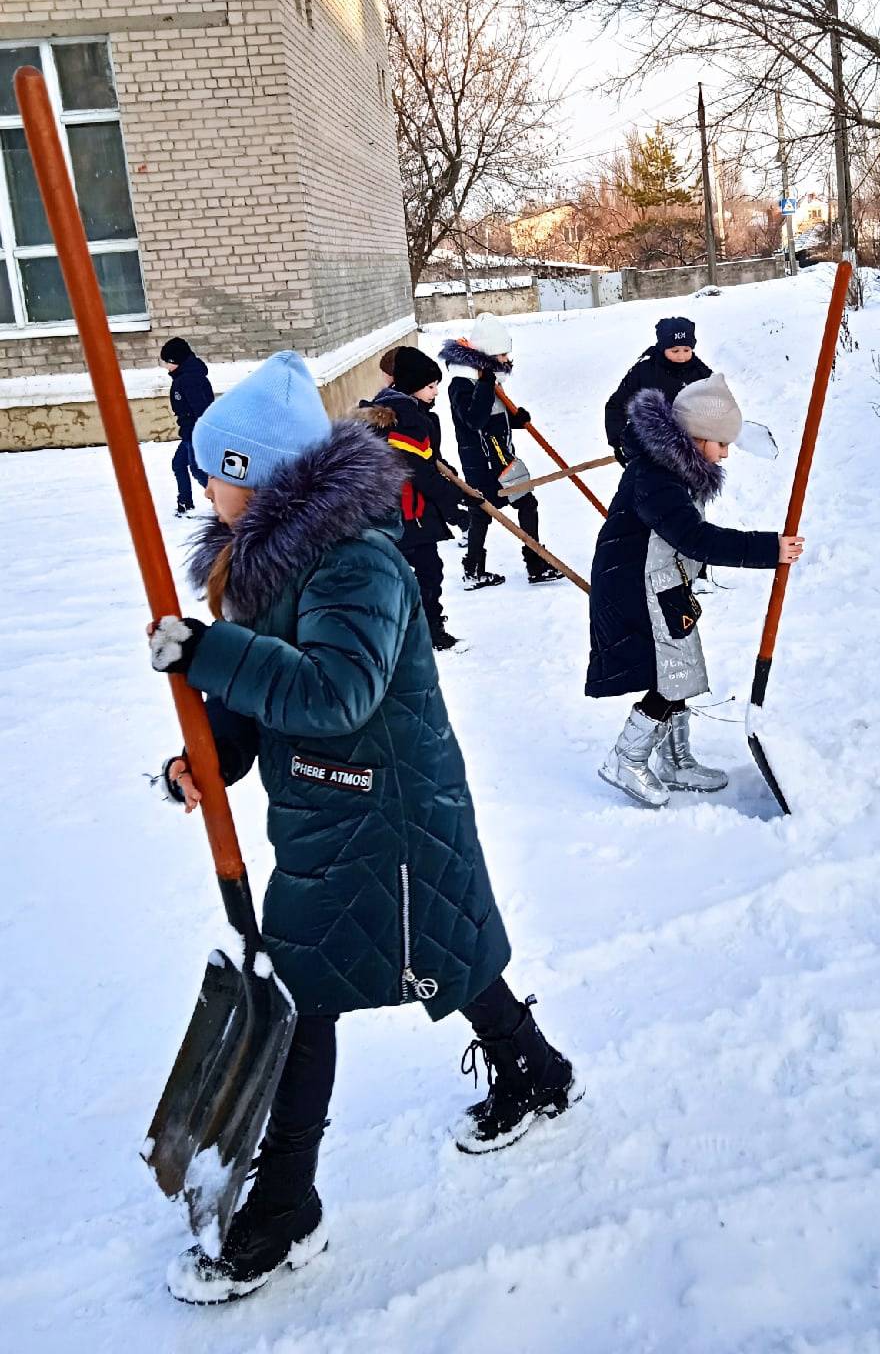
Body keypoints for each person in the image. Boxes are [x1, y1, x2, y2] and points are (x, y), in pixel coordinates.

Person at [146, 352, 580, 1305]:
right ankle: (537, 1071)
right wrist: (208, 758)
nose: (203, 484)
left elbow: (335, 690)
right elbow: (266, 694)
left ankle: (285, 1207)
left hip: (381, 807)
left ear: (257, 475)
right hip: (334, 807)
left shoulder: (358, 559)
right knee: (443, 946)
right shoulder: (268, 561)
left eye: (214, 468)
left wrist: (210, 652)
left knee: (309, 989)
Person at [586, 373, 803, 806]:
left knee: (681, 669)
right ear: (697, 436)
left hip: (663, 583)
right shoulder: (657, 477)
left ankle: (675, 760)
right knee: (673, 675)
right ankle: (625, 758)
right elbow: (695, 538)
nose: (726, 453)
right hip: (636, 586)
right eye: (721, 443)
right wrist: (768, 549)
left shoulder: (672, 468)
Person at [358, 344, 469, 651]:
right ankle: (425, 630)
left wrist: (455, 485)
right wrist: (454, 509)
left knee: (411, 573)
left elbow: (430, 461)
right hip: (407, 514)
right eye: (431, 386)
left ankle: (413, 629)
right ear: (412, 386)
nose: (435, 392)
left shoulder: (401, 413)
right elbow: (421, 474)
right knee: (427, 572)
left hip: (394, 515)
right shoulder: (406, 420)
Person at [441, 314, 565, 590]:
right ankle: (479, 568)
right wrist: (486, 385)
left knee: (521, 504)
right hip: (483, 463)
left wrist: (515, 420)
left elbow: (493, 417)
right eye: (501, 353)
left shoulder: (485, 379)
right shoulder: (462, 383)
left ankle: (532, 563)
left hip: (501, 457)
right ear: (486, 354)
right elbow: (474, 420)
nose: (507, 358)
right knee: (483, 512)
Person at [603, 316, 712, 465]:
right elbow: (616, 405)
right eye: (675, 351)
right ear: (662, 348)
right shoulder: (644, 371)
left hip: (692, 453)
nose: (681, 356)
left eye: (687, 350)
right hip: (651, 453)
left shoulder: (700, 372)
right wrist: (619, 443)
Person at [161, 336, 214, 516]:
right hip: (189, 433)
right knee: (178, 464)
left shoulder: (189, 379)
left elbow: (202, 409)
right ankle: (185, 502)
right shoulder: (183, 377)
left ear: (176, 361)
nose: (166, 367)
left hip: (196, 433)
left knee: (199, 471)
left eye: (167, 362)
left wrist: (201, 434)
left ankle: (225, 500)